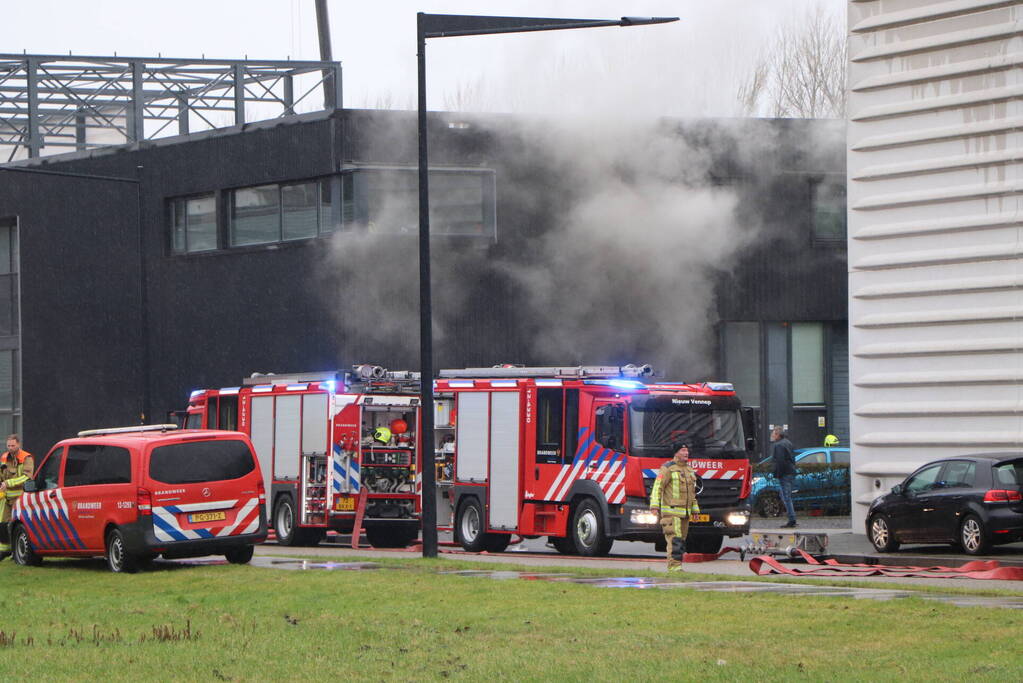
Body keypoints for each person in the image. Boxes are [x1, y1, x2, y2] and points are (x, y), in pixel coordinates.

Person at [649, 439, 701, 572]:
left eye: (687, 450)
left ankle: (677, 566)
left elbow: (692, 493)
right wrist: (654, 506)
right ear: (676, 453)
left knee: (681, 541)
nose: (686, 453)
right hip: (671, 513)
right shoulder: (668, 468)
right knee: (675, 539)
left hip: (685, 513)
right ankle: (674, 567)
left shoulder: (689, 470)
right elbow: (657, 487)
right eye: (683, 450)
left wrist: (695, 511)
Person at [0, 434, 33, 560]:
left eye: (13, 445)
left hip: (20, 498)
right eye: (8, 445)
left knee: (17, 525)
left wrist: (8, 483)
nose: (10, 448)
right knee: (2, 524)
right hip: (5, 497)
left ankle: (16, 552)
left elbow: (27, 477)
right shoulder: (4, 457)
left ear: (18, 444)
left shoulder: (26, 458)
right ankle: (4, 551)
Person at [770, 426, 797, 528]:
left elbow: (780, 461)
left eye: (773, 433)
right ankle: (792, 518)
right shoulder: (788, 442)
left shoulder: (779, 445)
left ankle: (792, 519)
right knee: (786, 495)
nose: (772, 435)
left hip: (784, 473)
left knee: (786, 497)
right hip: (790, 472)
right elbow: (792, 458)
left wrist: (777, 474)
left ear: (777, 434)